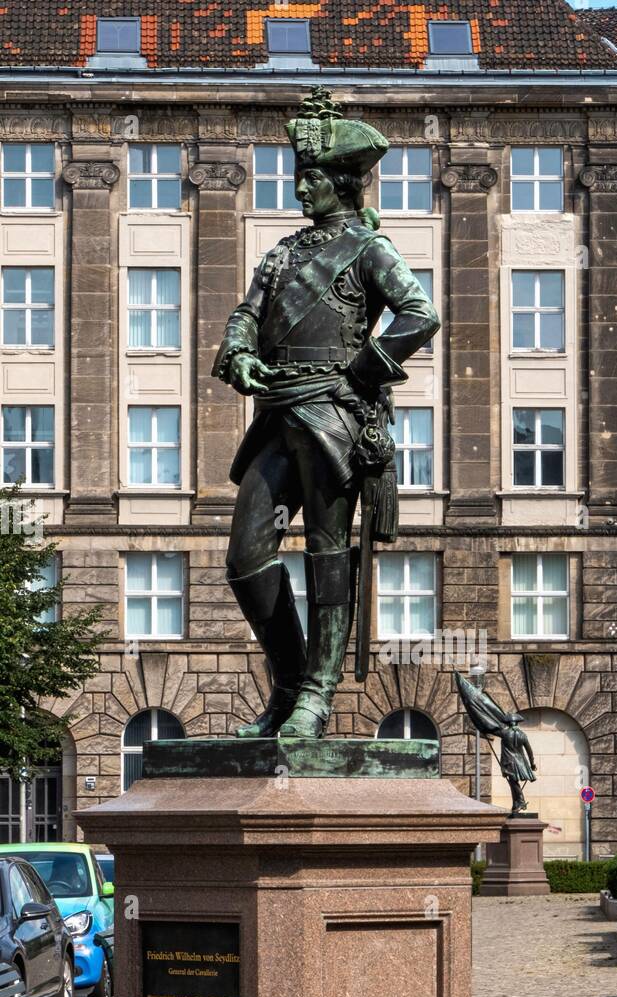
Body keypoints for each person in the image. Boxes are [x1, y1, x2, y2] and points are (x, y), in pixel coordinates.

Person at [213, 87, 440, 739]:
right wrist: (239, 355)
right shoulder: (283, 252)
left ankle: (316, 694)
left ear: (340, 183)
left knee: (326, 557)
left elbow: (420, 313)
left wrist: (360, 373)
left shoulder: (369, 250)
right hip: (279, 413)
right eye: (297, 179)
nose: (299, 191)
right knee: (245, 558)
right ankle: (287, 684)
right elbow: (245, 316)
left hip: (336, 419)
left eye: (309, 179)